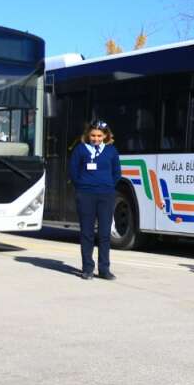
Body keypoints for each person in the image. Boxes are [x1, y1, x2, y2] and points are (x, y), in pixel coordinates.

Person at [68, 120, 121, 280]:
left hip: (106, 195)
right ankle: (87, 268)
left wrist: (108, 186)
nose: (96, 139)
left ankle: (104, 269)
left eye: (99, 135)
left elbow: (117, 172)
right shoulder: (80, 149)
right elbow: (73, 170)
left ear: (105, 136)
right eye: (93, 135)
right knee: (87, 233)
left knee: (104, 233)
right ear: (87, 135)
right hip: (86, 195)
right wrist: (82, 186)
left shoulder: (111, 151)